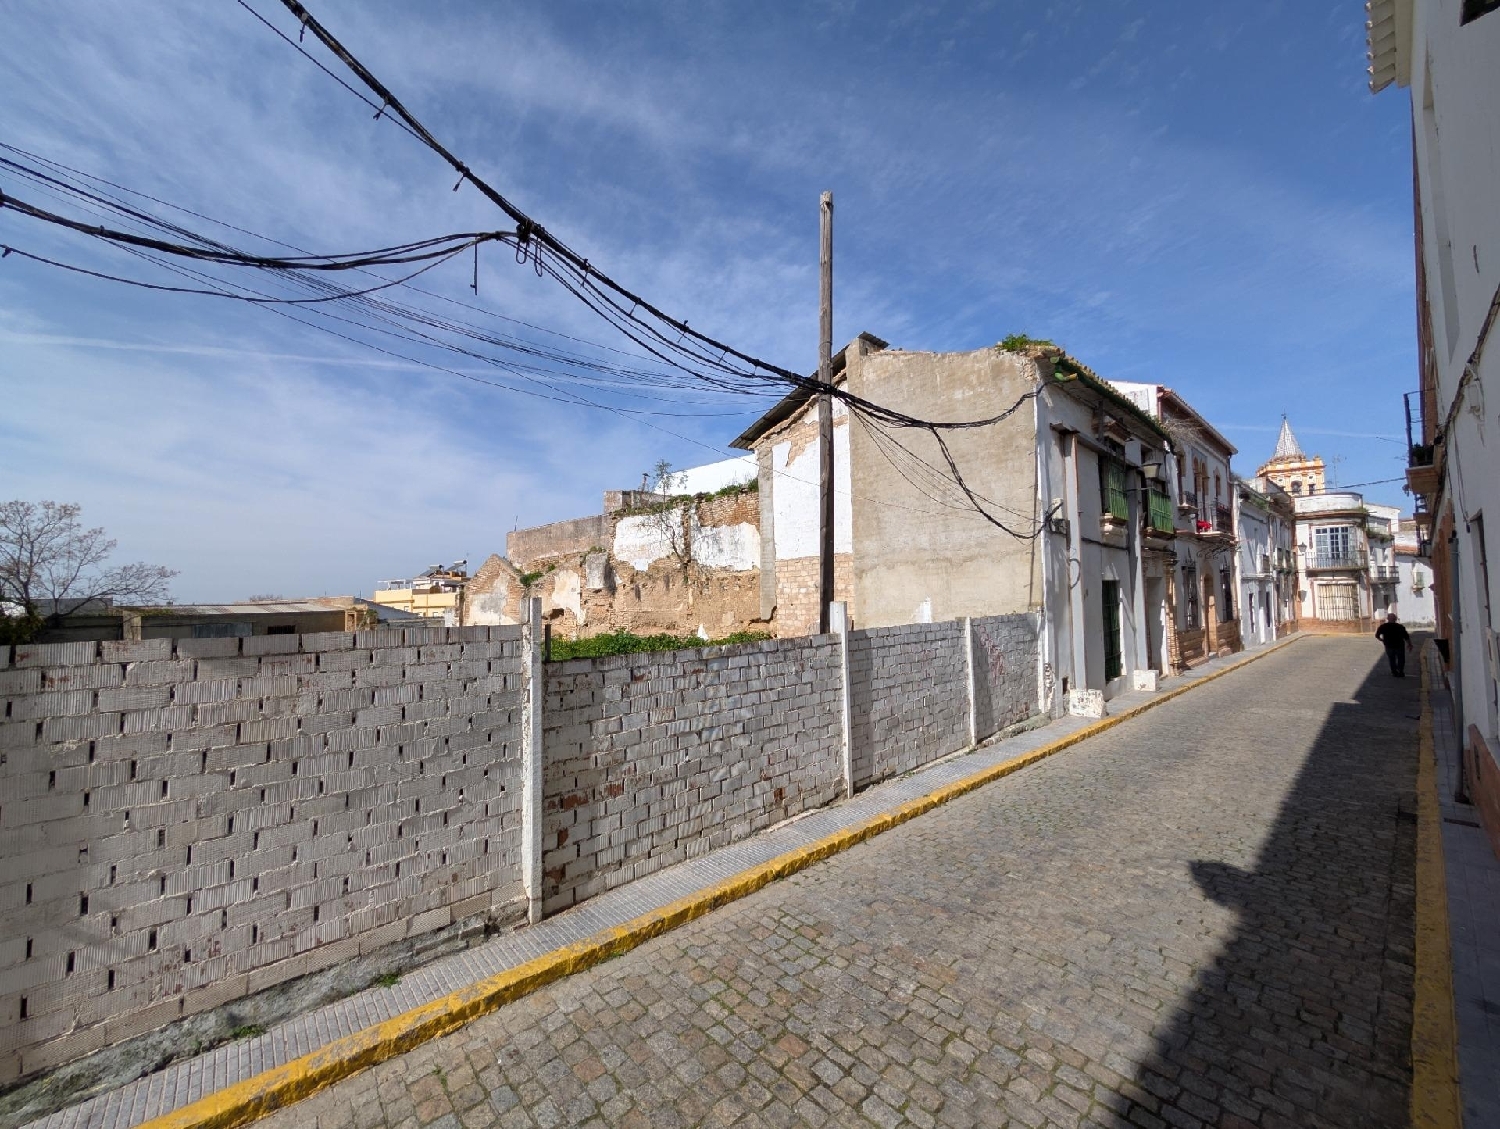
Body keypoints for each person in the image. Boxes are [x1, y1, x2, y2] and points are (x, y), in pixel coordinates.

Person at [1375, 612, 1414, 677]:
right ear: (1395, 619)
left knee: (1391, 659)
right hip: (1399, 646)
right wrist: (1409, 644)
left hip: (1389, 646)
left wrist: (1381, 640)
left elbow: (1377, 635)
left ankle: (1394, 672)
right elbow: (1406, 636)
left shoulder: (1383, 626)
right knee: (1401, 659)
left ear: (1387, 619)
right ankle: (1400, 671)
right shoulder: (1400, 627)